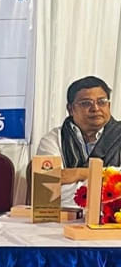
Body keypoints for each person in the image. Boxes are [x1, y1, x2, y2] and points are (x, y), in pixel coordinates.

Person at [37, 76, 120, 207]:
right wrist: (108, 180)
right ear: (70, 109)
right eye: (86, 103)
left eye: (101, 102)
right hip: (63, 217)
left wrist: (78, 173)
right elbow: (47, 192)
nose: (95, 108)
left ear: (108, 105)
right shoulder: (53, 140)